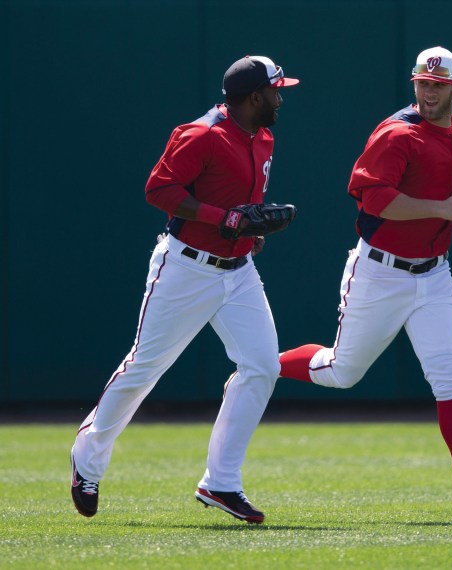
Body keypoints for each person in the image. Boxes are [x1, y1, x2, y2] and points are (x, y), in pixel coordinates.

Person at [278, 46, 452, 521]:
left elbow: (448, 206)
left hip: (434, 274)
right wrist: (443, 210)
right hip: (380, 272)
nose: (428, 92)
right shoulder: (397, 133)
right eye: (422, 84)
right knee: (342, 372)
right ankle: (263, 363)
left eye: (438, 85)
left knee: (451, 375)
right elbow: (374, 202)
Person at [70, 55, 300, 524]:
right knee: (145, 368)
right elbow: (159, 189)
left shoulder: (264, 136)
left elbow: (241, 204)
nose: (281, 97)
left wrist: (249, 228)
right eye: (277, 90)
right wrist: (226, 219)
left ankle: (221, 482)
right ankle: (87, 458)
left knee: (261, 366)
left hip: (237, 272)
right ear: (255, 96)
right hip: (186, 268)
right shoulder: (201, 134)